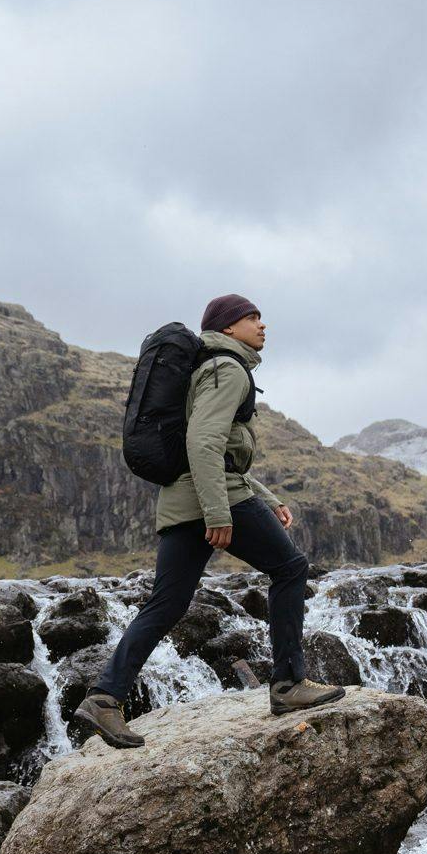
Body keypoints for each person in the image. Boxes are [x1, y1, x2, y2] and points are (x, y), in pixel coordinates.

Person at [73, 293, 346, 748]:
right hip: (213, 499)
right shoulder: (228, 368)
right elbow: (204, 443)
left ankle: (104, 699)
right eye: (251, 318)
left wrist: (267, 495)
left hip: (183, 501)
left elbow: (217, 452)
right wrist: (219, 511)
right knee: (291, 569)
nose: (262, 326)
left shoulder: (212, 369)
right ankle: (288, 684)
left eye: (261, 318)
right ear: (227, 327)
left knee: (167, 604)